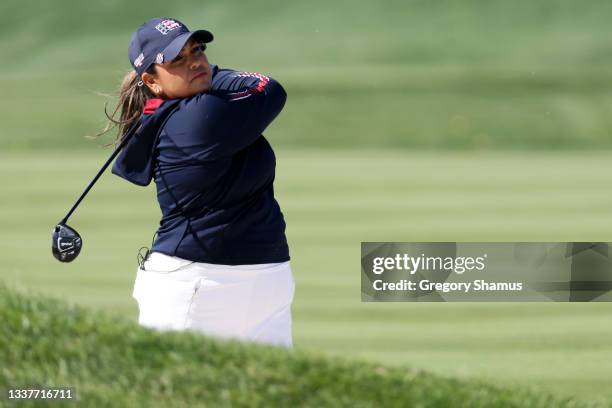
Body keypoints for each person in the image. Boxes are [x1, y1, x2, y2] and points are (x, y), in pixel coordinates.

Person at [104, 18, 294, 348]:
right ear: (151, 81)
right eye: (177, 59)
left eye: (198, 50)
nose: (195, 61)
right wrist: (213, 75)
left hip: (265, 279)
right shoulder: (196, 118)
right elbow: (270, 88)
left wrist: (200, 76)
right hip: (197, 282)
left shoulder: (197, 105)